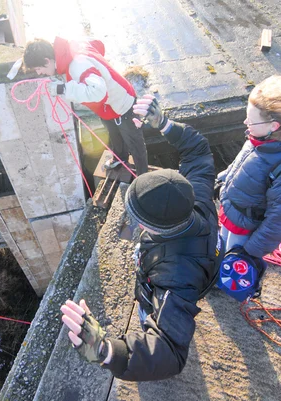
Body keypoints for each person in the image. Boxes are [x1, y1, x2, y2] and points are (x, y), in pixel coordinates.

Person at [60, 95, 222, 381]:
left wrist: (105, 350)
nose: (131, 220)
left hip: (174, 277)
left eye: (135, 215)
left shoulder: (175, 275)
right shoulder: (195, 196)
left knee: (151, 315)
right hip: (194, 255)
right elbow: (198, 153)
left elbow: (169, 350)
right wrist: (164, 124)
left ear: (152, 225)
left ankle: (146, 312)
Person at [215, 75, 281, 266]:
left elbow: (280, 222)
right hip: (232, 215)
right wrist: (222, 180)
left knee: (232, 262)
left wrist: (250, 251)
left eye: (251, 120)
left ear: (274, 126)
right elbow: (241, 164)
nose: (245, 122)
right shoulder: (260, 137)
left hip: (245, 229)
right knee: (222, 252)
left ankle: (230, 287)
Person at [22, 37, 149, 175]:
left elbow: (98, 92)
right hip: (109, 107)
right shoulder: (71, 48)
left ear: (47, 60)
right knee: (114, 134)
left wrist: (62, 89)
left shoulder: (77, 65)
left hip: (123, 102)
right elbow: (98, 45)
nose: (39, 73)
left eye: (39, 68)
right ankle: (121, 159)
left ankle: (144, 178)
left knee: (135, 144)